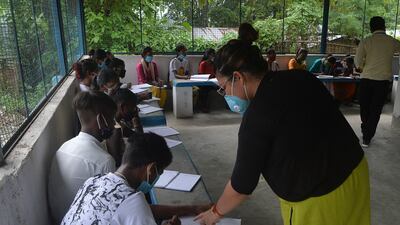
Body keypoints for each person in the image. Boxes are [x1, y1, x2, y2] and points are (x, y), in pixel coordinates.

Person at [195, 40, 370, 225]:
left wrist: (214, 213)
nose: (226, 94)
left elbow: (242, 185)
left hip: (320, 197)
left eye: (224, 88)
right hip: (355, 172)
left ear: (238, 77)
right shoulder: (301, 77)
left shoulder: (257, 115)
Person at [62, 133, 211, 225]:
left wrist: (192, 209)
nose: (157, 177)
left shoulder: (93, 181)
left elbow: (139, 210)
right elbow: (136, 208)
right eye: (160, 172)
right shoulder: (133, 202)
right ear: (151, 169)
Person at [48, 91, 117, 224]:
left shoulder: (63, 148)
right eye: (111, 119)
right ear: (100, 119)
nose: (114, 125)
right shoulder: (105, 161)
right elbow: (110, 209)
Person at [355, 16, 400, 147]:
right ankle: (367, 137)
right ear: (384, 26)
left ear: (371, 27)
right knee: (375, 110)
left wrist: (362, 68)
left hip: (366, 79)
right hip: (383, 81)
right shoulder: (392, 42)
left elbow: (357, 61)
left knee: (364, 107)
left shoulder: (366, 41)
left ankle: (366, 132)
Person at [108, 88, 143, 167]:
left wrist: (136, 122)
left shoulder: (118, 123)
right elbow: (118, 163)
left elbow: (139, 138)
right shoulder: (116, 129)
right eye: (133, 107)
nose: (135, 110)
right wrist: (136, 122)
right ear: (123, 107)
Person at [197, 48, 216, 113]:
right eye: (211, 55)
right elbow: (201, 74)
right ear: (207, 55)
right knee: (204, 90)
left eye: (213, 54)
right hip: (204, 83)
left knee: (223, 88)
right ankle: (203, 107)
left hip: (212, 82)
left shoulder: (214, 64)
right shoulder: (203, 63)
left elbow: (215, 73)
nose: (213, 56)